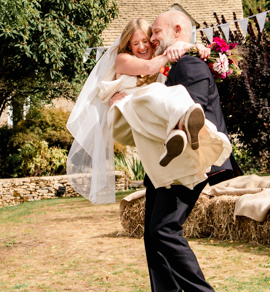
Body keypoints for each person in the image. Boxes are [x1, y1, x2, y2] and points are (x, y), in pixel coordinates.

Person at [131, 10, 241, 292]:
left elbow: (194, 119)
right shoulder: (174, 66)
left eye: (157, 31)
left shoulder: (188, 66)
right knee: (154, 235)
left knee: (165, 229)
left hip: (187, 165)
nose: (152, 38)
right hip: (164, 166)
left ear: (178, 30)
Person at [66, 19, 231, 205]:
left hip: (147, 117)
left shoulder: (158, 59)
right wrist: (180, 48)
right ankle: (185, 121)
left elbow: (164, 61)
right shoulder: (123, 59)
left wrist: (195, 47)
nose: (142, 47)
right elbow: (148, 68)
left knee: (168, 95)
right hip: (124, 115)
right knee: (156, 92)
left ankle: (181, 135)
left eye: (145, 41)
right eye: (135, 43)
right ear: (128, 45)